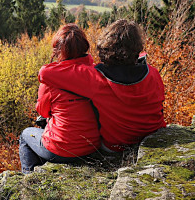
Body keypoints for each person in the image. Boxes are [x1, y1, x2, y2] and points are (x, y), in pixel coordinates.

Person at [38, 19, 166, 152]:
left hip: (117, 145)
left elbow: (45, 73)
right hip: (154, 137)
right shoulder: (153, 73)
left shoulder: (97, 79)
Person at [19, 24, 101, 174]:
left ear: (59, 50)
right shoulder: (97, 74)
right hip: (92, 147)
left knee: (25, 135)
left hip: (60, 150)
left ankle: (29, 179)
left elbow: (43, 111)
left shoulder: (50, 79)